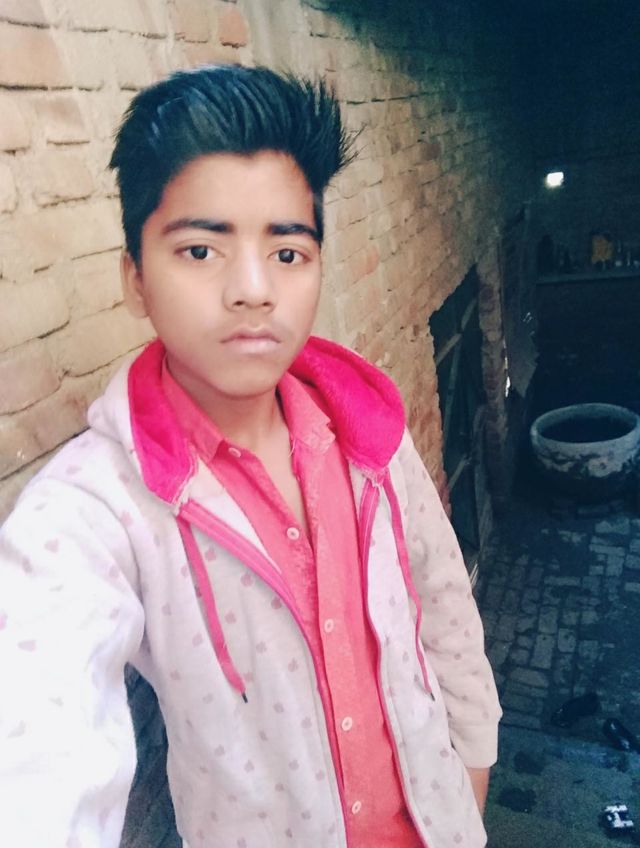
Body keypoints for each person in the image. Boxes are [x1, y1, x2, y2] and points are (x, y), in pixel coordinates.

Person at [0, 65, 501, 847]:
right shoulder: (95, 508)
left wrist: (470, 777)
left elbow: (442, 605)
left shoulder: (368, 431)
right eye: (201, 250)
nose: (253, 289)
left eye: (288, 252)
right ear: (136, 279)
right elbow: (35, 741)